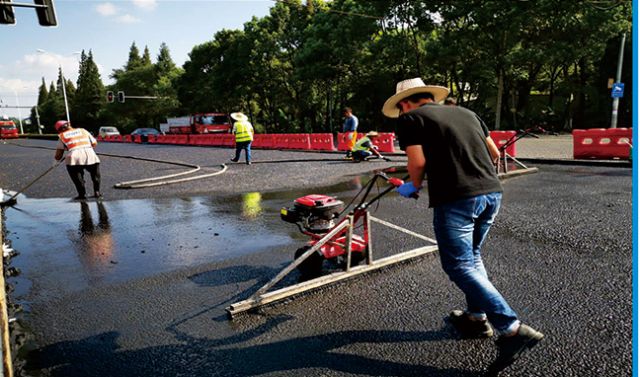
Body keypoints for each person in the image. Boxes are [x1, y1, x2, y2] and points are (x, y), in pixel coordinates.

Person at [382, 77, 543, 375]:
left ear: (404, 103)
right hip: (491, 193)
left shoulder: (410, 120)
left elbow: (416, 163)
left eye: (401, 108)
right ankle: (475, 318)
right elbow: (495, 154)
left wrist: (412, 187)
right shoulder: (467, 113)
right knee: (473, 257)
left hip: (456, 198)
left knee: (458, 265)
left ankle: (511, 328)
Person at [54, 120, 102, 200]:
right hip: (90, 154)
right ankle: (97, 192)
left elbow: (58, 156)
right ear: (69, 124)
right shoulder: (83, 131)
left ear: (60, 130)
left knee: (77, 177)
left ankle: (82, 194)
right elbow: (94, 143)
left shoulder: (62, 136)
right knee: (95, 175)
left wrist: (67, 150)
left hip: (74, 157)